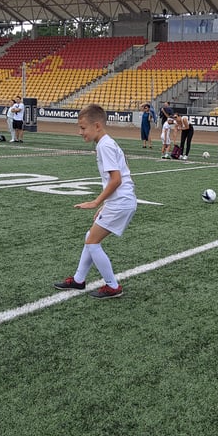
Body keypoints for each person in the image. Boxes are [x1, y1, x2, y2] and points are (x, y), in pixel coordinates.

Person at [54, 104, 136, 299]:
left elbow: (116, 180)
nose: (79, 132)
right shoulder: (106, 143)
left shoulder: (105, 145)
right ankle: (79, 279)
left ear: (97, 126)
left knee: (92, 242)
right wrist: (106, 204)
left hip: (121, 202)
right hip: (120, 201)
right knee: (90, 235)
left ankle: (113, 286)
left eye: (83, 128)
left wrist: (96, 202)